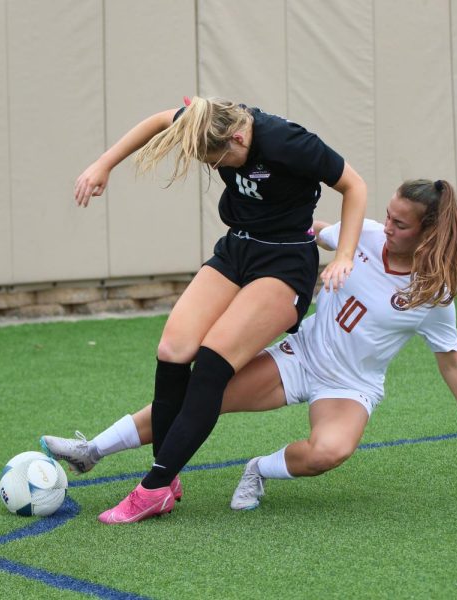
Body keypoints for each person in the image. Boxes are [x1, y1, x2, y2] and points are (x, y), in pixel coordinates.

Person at [43, 179, 457, 514]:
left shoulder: (434, 293)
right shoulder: (363, 235)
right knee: (197, 396)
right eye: (388, 215)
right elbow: (310, 232)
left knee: (328, 452)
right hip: (299, 358)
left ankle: (258, 471)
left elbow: (451, 363)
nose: (386, 226)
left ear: (428, 232)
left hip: (350, 385)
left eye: (400, 223)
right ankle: (92, 450)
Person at [44, 96, 367, 524]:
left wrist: (343, 255)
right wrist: (102, 165)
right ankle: (167, 477)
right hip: (237, 248)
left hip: (285, 262)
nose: (215, 167)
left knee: (212, 364)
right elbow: (159, 120)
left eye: (218, 160)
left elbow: (354, 186)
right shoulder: (207, 119)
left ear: (238, 139)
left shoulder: (288, 142)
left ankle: (153, 487)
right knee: (172, 350)